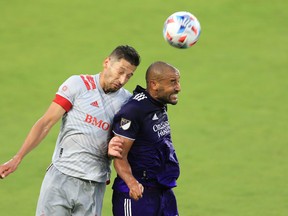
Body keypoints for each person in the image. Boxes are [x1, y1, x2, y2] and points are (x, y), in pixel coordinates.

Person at [0, 45, 141, 216]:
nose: (122, 79)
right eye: (120, 71)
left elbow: (124, 144)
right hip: (61, 178)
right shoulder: (79, 85)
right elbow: (46, 123)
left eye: (129, 76)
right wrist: (18, 157)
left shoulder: (126, 102)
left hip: (93, 186)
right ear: (106, 62)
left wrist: (113, 150)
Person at [109, 61, 181, 216]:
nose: (178, 88)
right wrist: (132, 183)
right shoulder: (133, 111)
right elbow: (120, 156)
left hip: (162, 191)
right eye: (173, 82)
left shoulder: (158, 104)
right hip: (136, 195)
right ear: (154, 85)